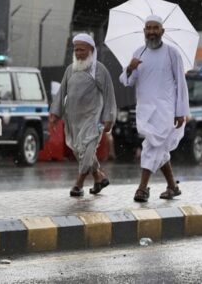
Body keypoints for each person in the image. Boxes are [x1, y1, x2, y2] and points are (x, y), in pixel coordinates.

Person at [119, 14, 188, 202]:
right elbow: (127, 81)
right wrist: (130, 68)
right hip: (145, 111)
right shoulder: (139, 53)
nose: (151, 32)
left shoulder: (172, 53)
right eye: (148, 28)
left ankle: (142, 188)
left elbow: (181, 83)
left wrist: (181, 111)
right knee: (159, 148)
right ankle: (173, 186)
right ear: (144, 31)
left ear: (162, 31)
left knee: (151, 147)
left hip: (166, 110)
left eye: (155, 28)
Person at [49, 33, 117, 197]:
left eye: (82, 50)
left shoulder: (100, 70)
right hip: (73, 121)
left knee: (88, 150)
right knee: (80, 151)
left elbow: (109, 95)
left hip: (93, 120)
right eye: (76, 50)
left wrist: (109, 118)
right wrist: (54, 114)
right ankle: (99, 177)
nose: (78, 53)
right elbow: (61, 93)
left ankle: (78, 184)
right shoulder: (70, 70)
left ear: (91, 50)